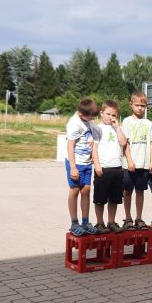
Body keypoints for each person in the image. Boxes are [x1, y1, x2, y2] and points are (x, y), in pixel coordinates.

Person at [120, 92, 152, 230]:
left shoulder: (149, 123)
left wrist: (151, 162)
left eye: (143, 105)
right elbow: (125, 143)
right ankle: (128, 218)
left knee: (140, 192)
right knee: (128, 191)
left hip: (144, 164)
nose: (140, 108)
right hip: (129, 164)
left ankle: (139, 218)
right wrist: (129, 161)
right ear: (131, 105)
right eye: (137, 105)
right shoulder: (127, 121)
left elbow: (151, 143)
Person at [91, 100, 127, 234]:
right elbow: (94, 148)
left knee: (114, 198)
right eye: (108, 114)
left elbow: (123, 143)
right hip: (103, 168)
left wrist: (117, 128)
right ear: (101, 113)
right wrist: (97, 165)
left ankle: (111, 222)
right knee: (100, 198)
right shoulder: (97, 128)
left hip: (117, 168)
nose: (110, 117)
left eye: (114, 115)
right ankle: (100, 222)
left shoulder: (117, 128)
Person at [66, 99, 99, 236]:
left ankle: (85, 221)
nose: (92, 119)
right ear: (81, 114)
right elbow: (70, 147)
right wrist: (73, 168)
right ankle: (74, 223)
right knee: (75, 190)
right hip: (76, 163)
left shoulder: (88, 119)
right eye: (90, 117)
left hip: (86, 162)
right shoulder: (74, 124)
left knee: (86, 190)